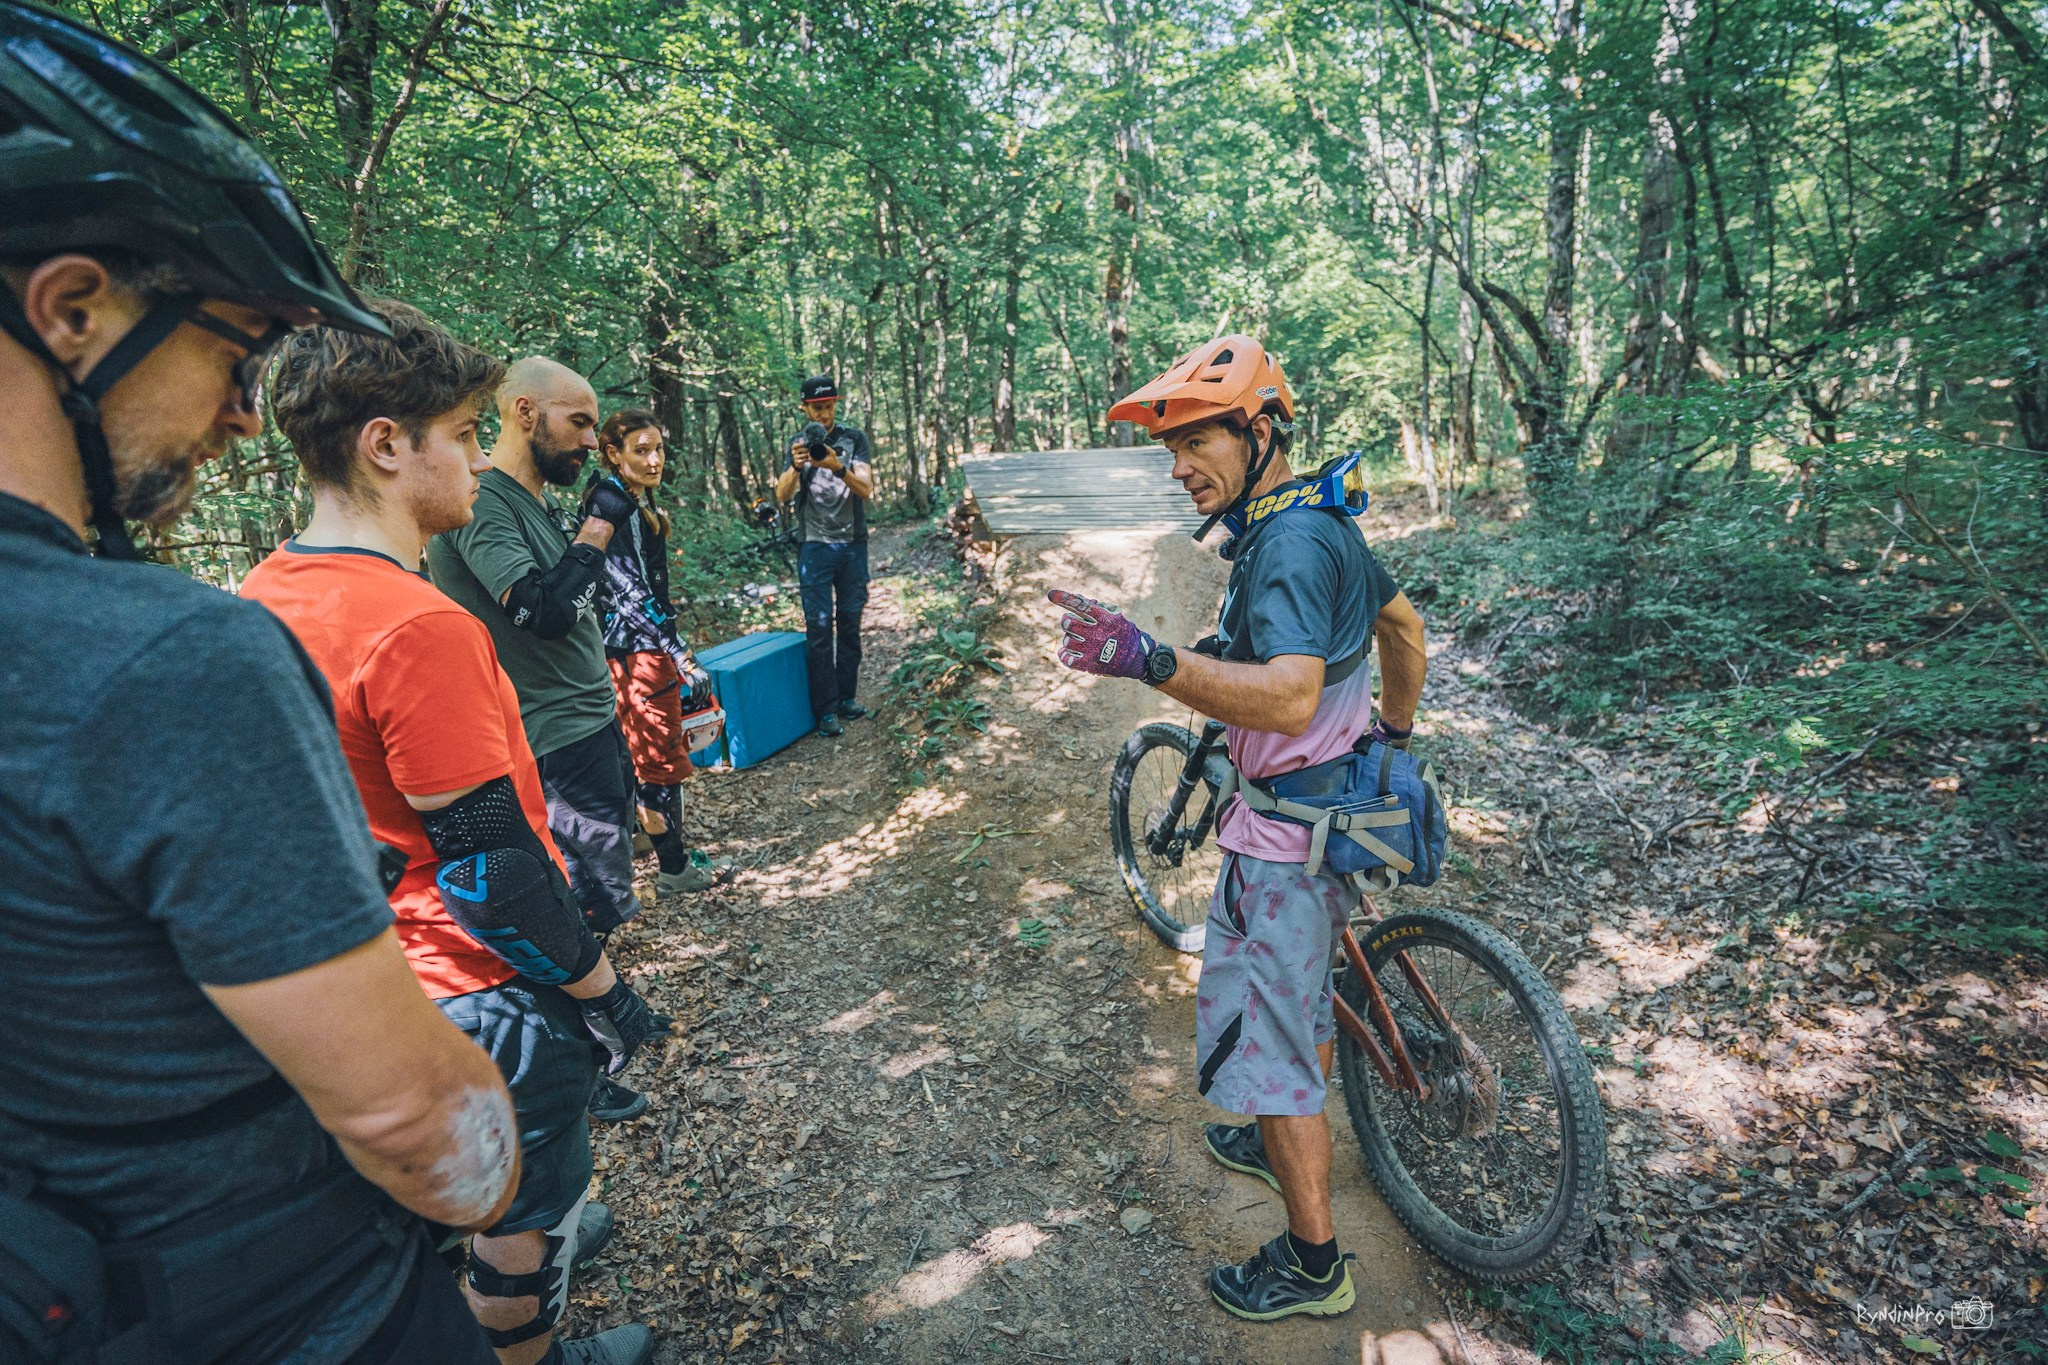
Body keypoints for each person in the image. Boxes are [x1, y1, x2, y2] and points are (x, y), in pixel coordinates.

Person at [0, 8, 520, 1361]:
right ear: (72, 311)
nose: (243, 413)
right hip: (300, 1307)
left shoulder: (241, 606)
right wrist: (510, 1144)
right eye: (232, 353)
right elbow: (415, 1119)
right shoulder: (170, 658)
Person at [241, 302, 664, 1365]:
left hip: (370, 976)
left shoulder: (264, 591)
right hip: (479, 985)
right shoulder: (422, 626)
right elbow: (490, 869)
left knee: (445, 1188)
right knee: (530, 1206)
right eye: (467, 434)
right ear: (387, 444)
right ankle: (530, 1334)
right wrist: (602, 989)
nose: (480, 461)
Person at [1049, 335, 1429, 1322]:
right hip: (1344, 807)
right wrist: (1390, 738)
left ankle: (1313, 1266)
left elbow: (1291, 696)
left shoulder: (1287, 543)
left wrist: (1150, 660)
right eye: (1170, 450)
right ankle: (1266, 1140)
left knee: (1276, 1049)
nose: (1178, 468)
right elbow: (1403, 630)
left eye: (1196, 443)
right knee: (1300, 1006)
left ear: (1258, 431)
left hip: (1285, 843)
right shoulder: (1316, 517)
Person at [427, 357, 652, 1124]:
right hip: (547, 736)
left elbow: (576, 602)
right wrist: (600, 525)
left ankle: (586, 1048)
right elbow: (544, 610)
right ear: (525, 412)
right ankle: (581, 1068)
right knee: (573, 907)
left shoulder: (533, 498)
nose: (591, 439)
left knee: (599, 894)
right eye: (579, 421)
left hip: (587, 720)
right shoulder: (485, 500)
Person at [588, 408, 730, 894]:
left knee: (644, 756)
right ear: (614, 454)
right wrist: (679, 653)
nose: (655, 461)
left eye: (659, 449)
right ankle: (675, 870)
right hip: (639, 653)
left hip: (632, 651)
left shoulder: (628, 498)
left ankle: (652, 844)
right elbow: (631, 593)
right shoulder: (613, 503)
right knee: (659, 763)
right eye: (641, 451)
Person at [774, 373, 875, 738]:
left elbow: (866, 489)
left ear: (836, 405)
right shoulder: (797, 443)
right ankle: (826, 710)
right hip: (814, 546)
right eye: (816, 407)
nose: (823, 414)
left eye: (829, 406)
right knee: (818, 628)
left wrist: (837, 467)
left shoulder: (854, 439)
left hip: (852, 545)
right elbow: (782, 495)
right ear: (805, 408)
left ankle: (846, 697)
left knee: (849, 623)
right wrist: (795, 466)